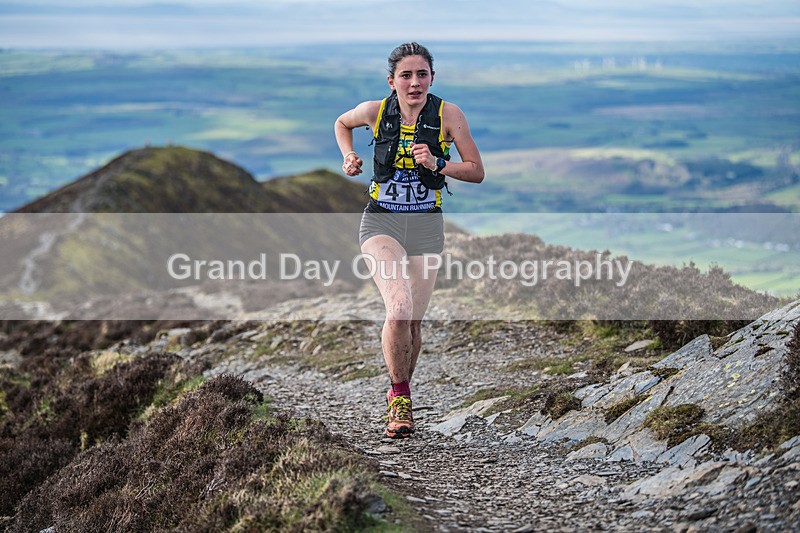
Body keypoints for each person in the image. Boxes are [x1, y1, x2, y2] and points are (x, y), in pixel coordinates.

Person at [334, 42, 484, 438]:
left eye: (422, 74)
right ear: (392, 81)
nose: (414, 82)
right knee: (398, 308)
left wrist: (438, 163)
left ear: (431, 79)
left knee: (412, 323)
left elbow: (476, 170)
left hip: (425, 227)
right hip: (381, 221)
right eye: (406, 75)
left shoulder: (449, 115)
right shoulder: (375, 111)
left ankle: (398, 389)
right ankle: (400, 399)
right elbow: (341, 124)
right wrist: (348, 157)